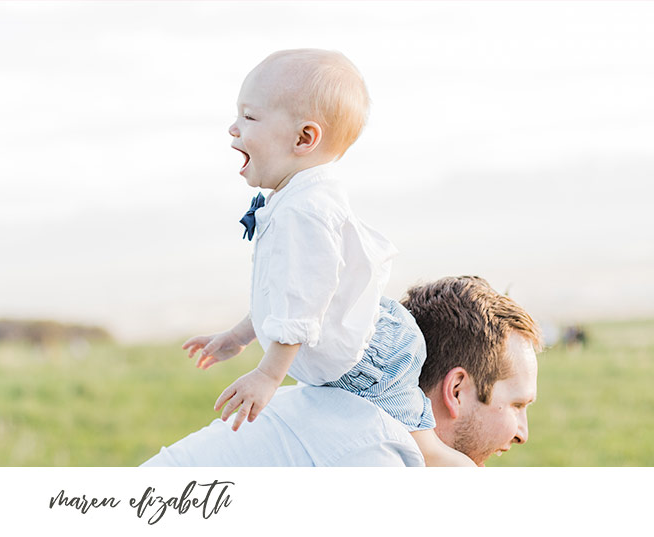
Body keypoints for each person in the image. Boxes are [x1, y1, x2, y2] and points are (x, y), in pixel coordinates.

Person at [184, 49, 468, 465]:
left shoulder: (306, 210)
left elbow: (304, 299)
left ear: (304, 138)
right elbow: (280, 290)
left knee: (426, 454)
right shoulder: (293, 197)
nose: (233, 127)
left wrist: (268, 375)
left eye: (250, 117)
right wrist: (240, 335)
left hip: (372, 360)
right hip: (352, 350)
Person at [144, 276, 542, 466]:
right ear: (456, 390)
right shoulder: (372, 453)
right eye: (518, 405)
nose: (524, 432)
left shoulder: (324, 406)